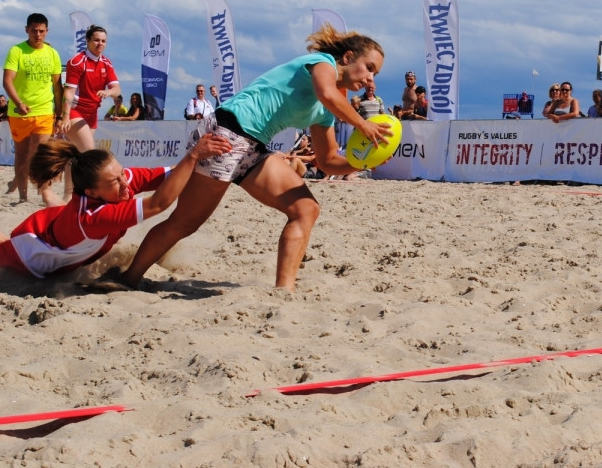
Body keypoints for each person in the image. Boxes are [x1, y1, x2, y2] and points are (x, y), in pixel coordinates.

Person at [95, 24, 393, 293]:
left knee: (306, 209)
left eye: (376, 74)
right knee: (184, 223)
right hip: (227, 133)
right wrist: (363, 125)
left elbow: (327, 161)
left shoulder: (331, 107)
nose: (370, 78)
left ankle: (283, 293)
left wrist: (363, 162)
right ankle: (128, 278)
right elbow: (327, 92)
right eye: (369, 68)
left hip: (254, 147)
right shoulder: (323, 64)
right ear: (348, 57)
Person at [0, 134, 231, 279]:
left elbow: (170, 175)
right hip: (31, 252)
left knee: (40, 221)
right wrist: (193, 155)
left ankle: (47, 192)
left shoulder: (116, 181)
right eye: (115, 181)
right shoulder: (95, 217)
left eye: (122, 174)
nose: (125, 183)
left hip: (59, 223)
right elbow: (159, 203)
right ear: (93, 191)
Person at [3, 13, 64, 203]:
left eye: (41, 31)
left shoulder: (52, 53)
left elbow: (57, 87)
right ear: (26, 30)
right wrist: (19, 103)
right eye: (34, 30)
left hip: (45, 111)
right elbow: (7, 81)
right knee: (22, 155)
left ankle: (45, 195)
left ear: (47, 31)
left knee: (39, 156)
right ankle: (23, 197)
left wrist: (60, 115)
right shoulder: (17, 51)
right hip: (19, 113)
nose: (38, 34)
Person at [62, 25, 121, 153]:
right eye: (96, 40)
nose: (100, 44)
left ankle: (63, 167)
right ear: (88, 41)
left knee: (76, 154)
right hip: (75, 111)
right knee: (88, 151)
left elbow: (117, 90)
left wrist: (109, 92)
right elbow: (69, 92)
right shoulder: (77, 61)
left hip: (92, 113)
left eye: (103, 41)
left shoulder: (106, 63)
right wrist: (65, 117)